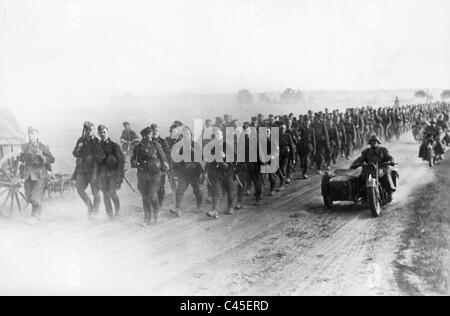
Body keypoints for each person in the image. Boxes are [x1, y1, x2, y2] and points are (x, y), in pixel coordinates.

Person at [131, 127, 169, 226]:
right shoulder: (138, 147)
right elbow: (133, 160)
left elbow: (163, 158)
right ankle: (147, 218)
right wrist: (134, 163)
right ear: (144, 136)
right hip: (143, 175)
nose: (151, 136)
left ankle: (156, 214)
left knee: (152, 195)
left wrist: (164, 166)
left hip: (155, 175)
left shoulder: (156, 145)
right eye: (149, 134)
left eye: (151, 134)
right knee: (145, 197)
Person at [19, 127, 55, 224]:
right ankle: (39, 210)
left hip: (40, 175)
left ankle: (34, 216)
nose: (30, 135)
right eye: (29, 133)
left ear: (37, 135)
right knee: (28, 196)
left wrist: (42, 156)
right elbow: (21, 158)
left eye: (32, 133)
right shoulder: (25, 146)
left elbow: (52, 159)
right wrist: (20, 156)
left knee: (35, 196)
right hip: (28, 174)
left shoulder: (43, 147)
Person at [350, 135, 397, 203]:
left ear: (378, 142)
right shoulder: (366, 151)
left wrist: (391, 161)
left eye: (375, 141)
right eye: (372, 141)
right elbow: (360, 159)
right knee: (361, 178)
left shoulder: (383, 150)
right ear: (370, 143)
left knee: (386, 176)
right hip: (369, 168)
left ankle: (390, 194)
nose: (373, 142)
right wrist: (354, 164)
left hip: (381, 167)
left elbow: (389, 157)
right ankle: (361, 195)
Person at [170, 126, 204, 217]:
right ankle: (178, 208)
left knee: (197, 189)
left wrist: (192, 151)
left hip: (194, 171)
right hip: (183, 172)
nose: (186, 136)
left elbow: (202, 158)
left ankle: (199, 206)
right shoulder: (179, 146)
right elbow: (175, 159)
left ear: (191, 135)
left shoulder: (195, 145)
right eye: (184, 134)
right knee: (180, 189)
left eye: (188, 134)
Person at [95, 125, 125, 220]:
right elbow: (96, 162)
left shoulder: (114, 146)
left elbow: (121, 161)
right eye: (100, 132)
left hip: (113, 174)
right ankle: (109, 214)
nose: (102, 134)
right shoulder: (98, 146)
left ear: (107, 132)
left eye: (104, 132)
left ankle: (117, 210)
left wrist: (119, 177)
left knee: (112, 193)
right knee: (105, 195)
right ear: (98, 133)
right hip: (103, 175)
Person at [72, 121, 101, 217]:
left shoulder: (97, 141)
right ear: (84, 130)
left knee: (95, 192)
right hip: (83, 169)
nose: (89, 132)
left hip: (94, 170)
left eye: (91, 130)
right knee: (79, 188)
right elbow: (75, 153)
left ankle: (96, 212)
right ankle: (90, 206)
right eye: (87, 130)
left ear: (94, 130)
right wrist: (79, 148)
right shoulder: (81, 140)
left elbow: (100, 156)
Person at [151, 124, 171, 207]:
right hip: (151, 168)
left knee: (161, 186)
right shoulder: (148, 141)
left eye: (156, 131)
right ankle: (153, 204)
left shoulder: (163, 141)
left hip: (161, 167)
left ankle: (160, 203)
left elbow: (167, 154)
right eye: (153, 131)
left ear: (158, 131)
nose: (154, 132)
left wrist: (165, 163)